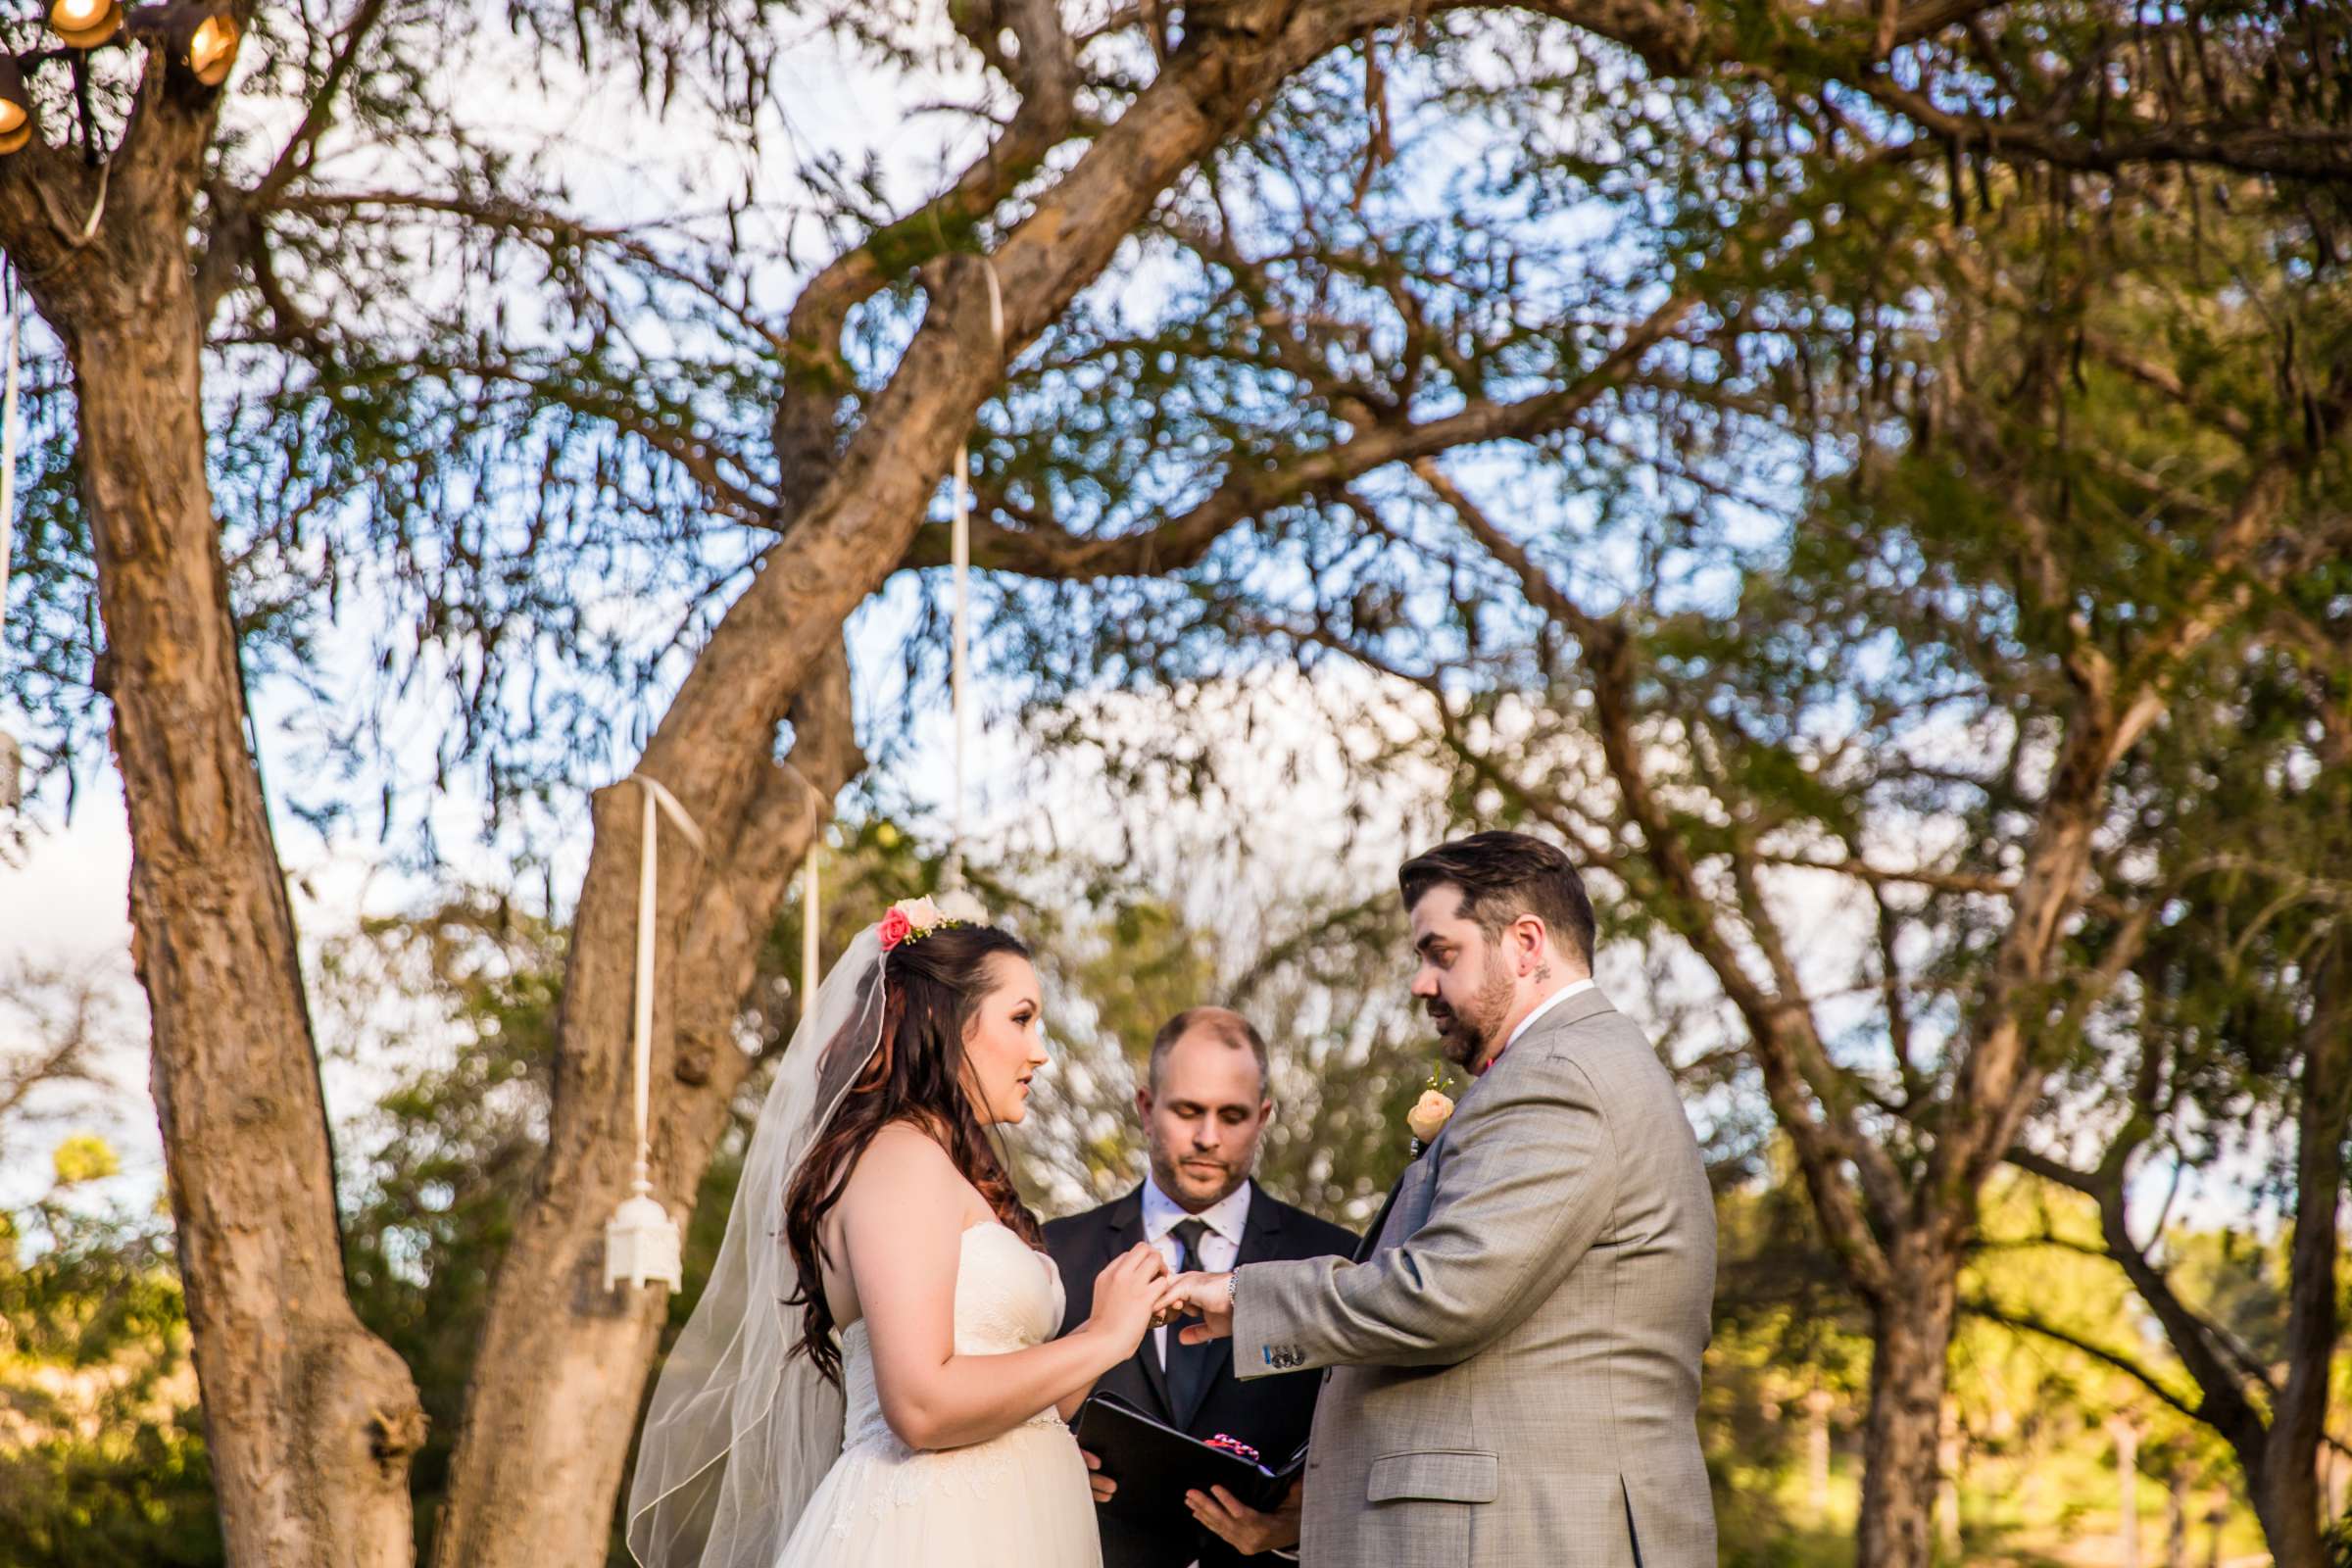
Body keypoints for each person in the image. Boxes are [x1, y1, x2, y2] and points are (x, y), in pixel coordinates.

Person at [1161, 832, 1718, 1568]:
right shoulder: (1568, 1067)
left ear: (1525, 943)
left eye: (1441, 952)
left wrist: (1245, 1299)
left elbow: (1446, 1295)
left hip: (1534, 1536)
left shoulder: (1561, 1075)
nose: (1422, 983)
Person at [626, 895, 1183, 1568]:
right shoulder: (897, 1157)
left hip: (1015, 1525)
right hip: (933, 1532)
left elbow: (1014, 1393)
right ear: (947, 1021)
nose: (1040, 1052)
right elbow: (920, 1405)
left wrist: (1119, 1318)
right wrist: (1099, 1336)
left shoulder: (946, 1169)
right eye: (1022, 1019)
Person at [1045, 1008, 1355, 1566]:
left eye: (1232, 1116)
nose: (1208, 1137)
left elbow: (1359, 1437)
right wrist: (1046, 1461)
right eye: (1188, 1111)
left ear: (1263, 1118)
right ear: (1146, 1107)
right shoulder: (1053, 1253)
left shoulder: (1334, 1261)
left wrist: (1296, 1525)